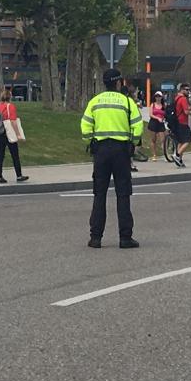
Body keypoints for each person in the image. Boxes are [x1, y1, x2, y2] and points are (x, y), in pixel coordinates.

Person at [80, 68, 143, 249]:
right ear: (118, 83)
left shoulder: (95, 102)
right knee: (123, 194)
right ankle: (125, 238)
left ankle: (96, 238)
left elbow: (85, 126)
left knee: (99, 194)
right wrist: (133, 142)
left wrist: (91, 140)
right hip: (121, 152)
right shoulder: (127, 102)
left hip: (100, 151)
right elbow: (137, 126)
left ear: (104, 83)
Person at [0, 89, 26, 183]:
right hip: (7, 132)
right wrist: (18, 134)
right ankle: (19, 175)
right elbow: (13, 121)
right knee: (15, 154)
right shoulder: (10, 106)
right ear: (10, 97)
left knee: (0, 154)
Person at [169, 84, 191, 167]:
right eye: (186, 90)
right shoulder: (183, 99)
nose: (188, 91)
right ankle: (177, 155)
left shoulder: (177, 98)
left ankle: (180, 161)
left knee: (180, 141)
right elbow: (185, 111)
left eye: (189, 90)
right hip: (183, 123)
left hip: (177, 122)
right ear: (182, 90)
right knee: (188, 141)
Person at [147, 91, 168, 161]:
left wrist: (163, 118)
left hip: (161, 124)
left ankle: (165, 154)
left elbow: (165, 114)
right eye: (156, 96)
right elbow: (150, 114)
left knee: (163, 140)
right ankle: (154, 155)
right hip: (153, 123)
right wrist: (157, 118)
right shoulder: (153, 105)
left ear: (162, 97)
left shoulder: (164, 105)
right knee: (153, 140)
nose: (158, 98)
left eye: (159, 96)